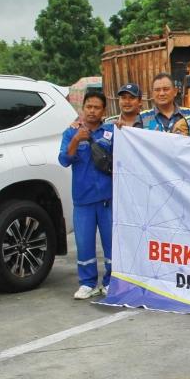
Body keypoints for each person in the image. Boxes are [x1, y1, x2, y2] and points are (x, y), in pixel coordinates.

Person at [58, 91, 114, 300]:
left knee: (111, 243)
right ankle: (87, 283)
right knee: (84, 243)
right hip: (83, 200)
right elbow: (64, 160)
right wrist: (76, 140)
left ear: (103, 111)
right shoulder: (70, 132)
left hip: (108, 199)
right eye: (89, 107)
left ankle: (111, 282)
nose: (92, 111)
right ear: (83, 109)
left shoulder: (111, 132)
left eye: (97, 107)